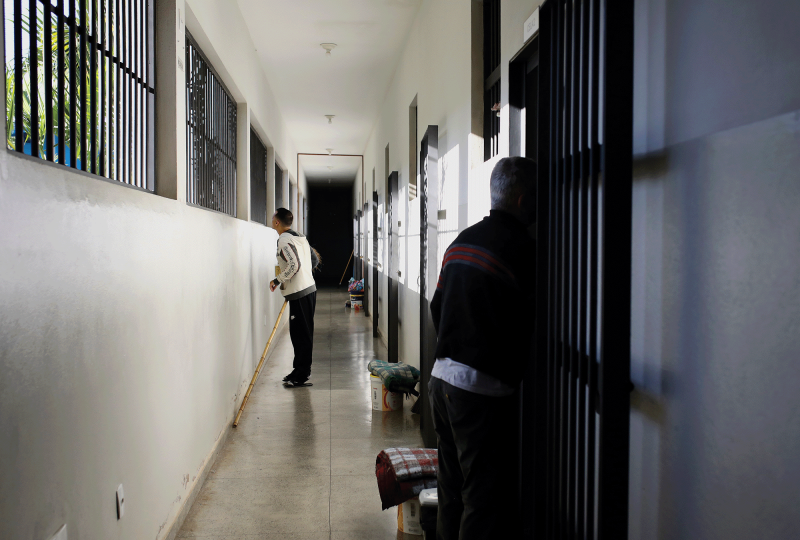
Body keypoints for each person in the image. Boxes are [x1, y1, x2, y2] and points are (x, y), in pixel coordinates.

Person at [428, 157, 537, 539]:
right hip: (479, 392)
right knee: (482, 497)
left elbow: (436, 306)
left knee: (451, 486)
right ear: (524, 201)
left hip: (440, 381)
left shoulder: (463, 239)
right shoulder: (523, 248)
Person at [269, 208, 317, 387]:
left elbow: (294, 265)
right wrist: (304, 277)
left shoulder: (283, 240)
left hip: (301, 293)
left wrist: (277, 280)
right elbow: (314, 261)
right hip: (308, 289)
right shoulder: (300, 237)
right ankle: (299, 371)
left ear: (277, 222)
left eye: (273, 216)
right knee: (300, 333)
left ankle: (301, 375)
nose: (272, 218)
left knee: (301, 335)